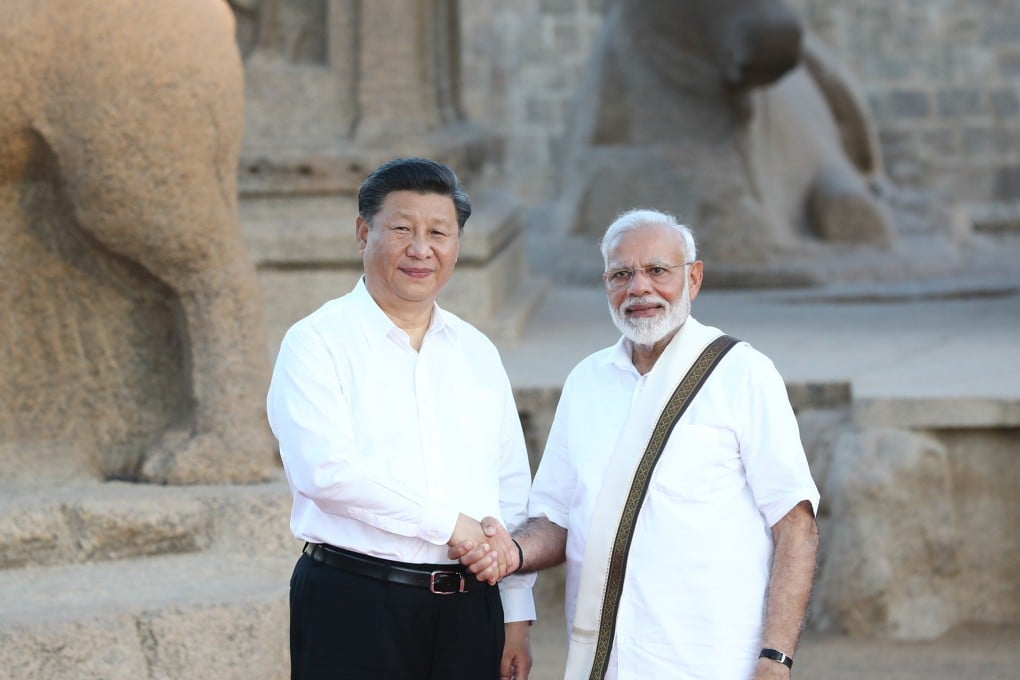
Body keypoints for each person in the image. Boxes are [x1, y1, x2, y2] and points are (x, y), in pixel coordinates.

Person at [453, 208, 819, 679]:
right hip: (606, 660)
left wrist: (776, 659)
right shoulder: (586, 381)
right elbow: (556, 518)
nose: (639, 288)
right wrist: (511, 553)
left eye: (657, 271)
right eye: (622, 274)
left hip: (713, 658)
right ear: (606, 283)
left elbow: (796, 526)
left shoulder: (743, 374)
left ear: (695, 278)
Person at [267, 157, 535, 680]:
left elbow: (510, 488)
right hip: (356, 601)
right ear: (364, 232)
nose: (421, 249)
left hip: (470, 609)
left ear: (457, 245)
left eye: (439, 232)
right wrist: (448, 523)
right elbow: (325, 471)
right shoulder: (316, 342)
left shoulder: (476, 351)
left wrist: (517, 615)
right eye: (402, 229)